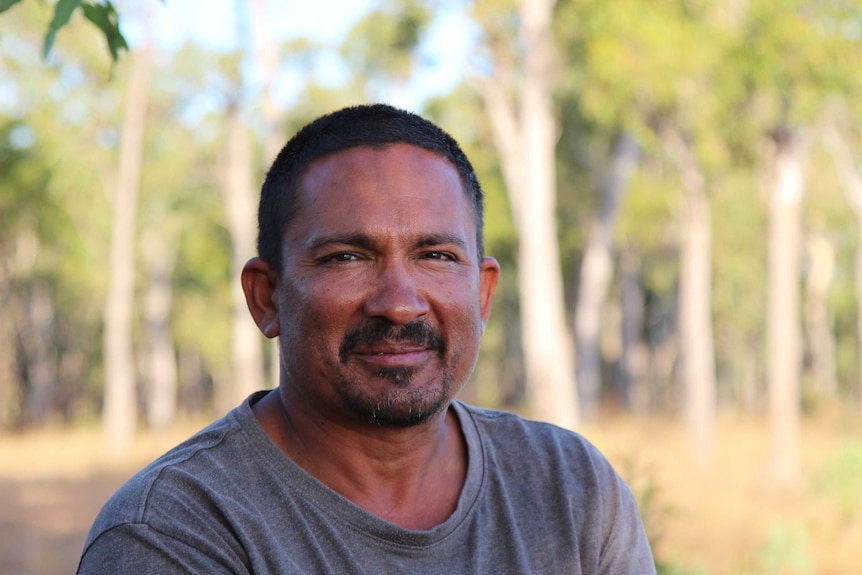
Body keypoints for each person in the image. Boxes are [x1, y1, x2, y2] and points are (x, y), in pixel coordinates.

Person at [77, 103, 656, 574]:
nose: (399, 302)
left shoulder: (569, 489)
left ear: (482, 295)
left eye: (435, 255)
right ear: (267, 297)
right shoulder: (173, 535)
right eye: (347, 256)